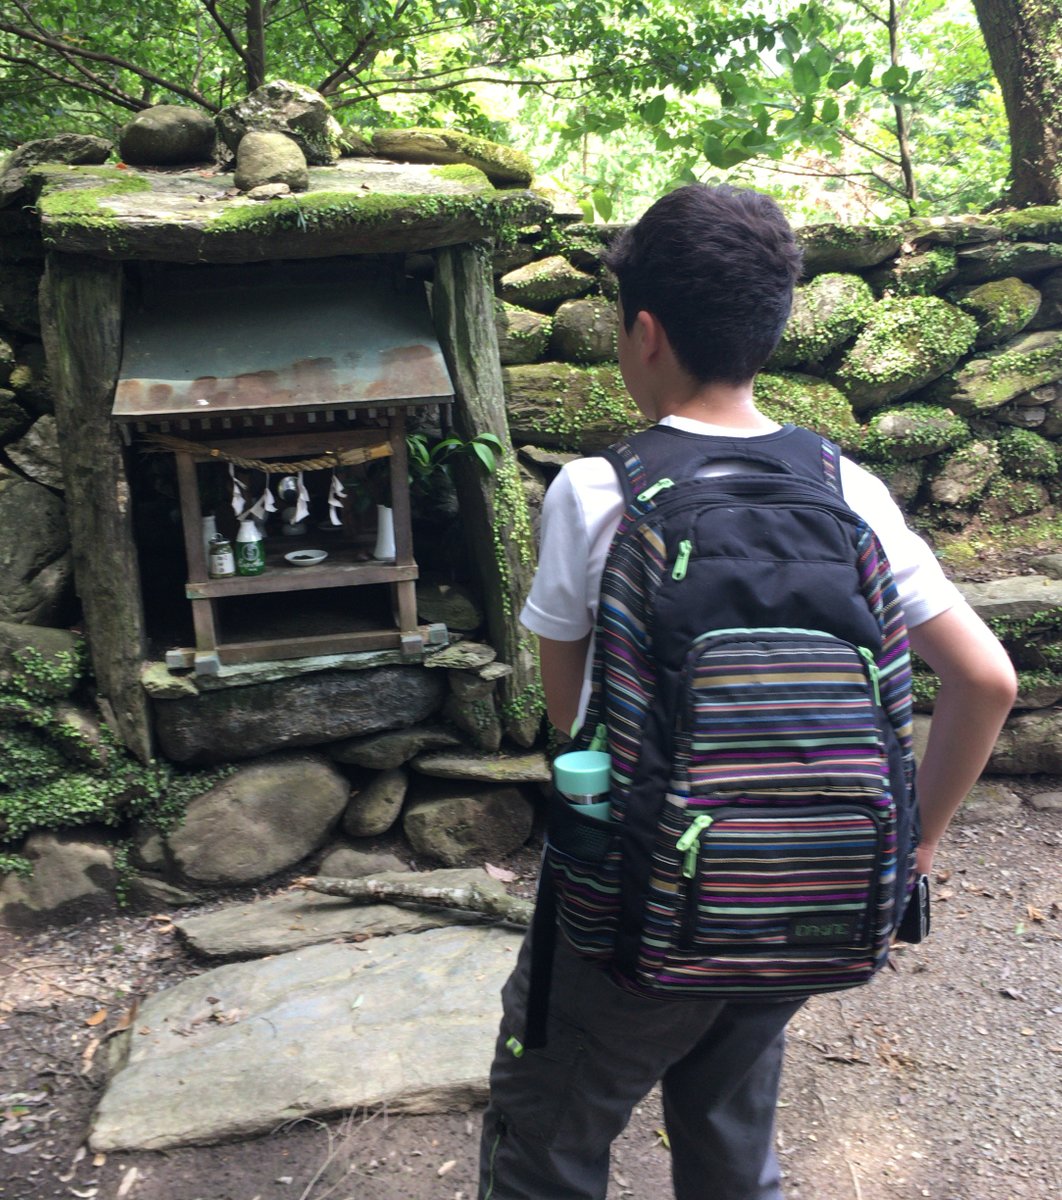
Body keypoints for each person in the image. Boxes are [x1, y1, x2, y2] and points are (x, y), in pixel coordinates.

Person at [478, 183, 1017, 1200]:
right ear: (770, 326)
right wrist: (919, 839)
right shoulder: (843, 484)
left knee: (548, 1132)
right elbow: (986, 680)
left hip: (634, 912)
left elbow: (568, 715)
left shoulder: (600, 492)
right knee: (729, 1124)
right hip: (807, 899)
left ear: (643, 333)